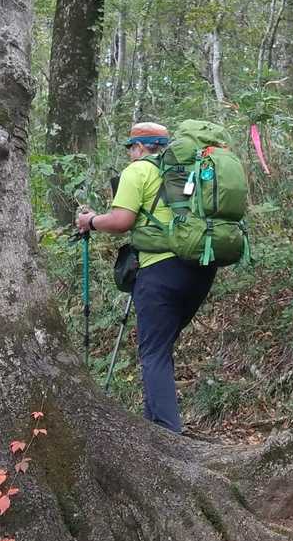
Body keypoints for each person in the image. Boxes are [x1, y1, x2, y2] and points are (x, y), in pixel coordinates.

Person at [75, 121, 217, 434]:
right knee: (159, 348)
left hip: (161, 270)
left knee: (154, 352)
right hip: (201, 267)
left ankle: (168, 435)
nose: (130, 155)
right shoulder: (188, 170)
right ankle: (153, 427)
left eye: (131, 149)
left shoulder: (138, 171)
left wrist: (91, 221)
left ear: (140, 147)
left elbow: (121, 220)